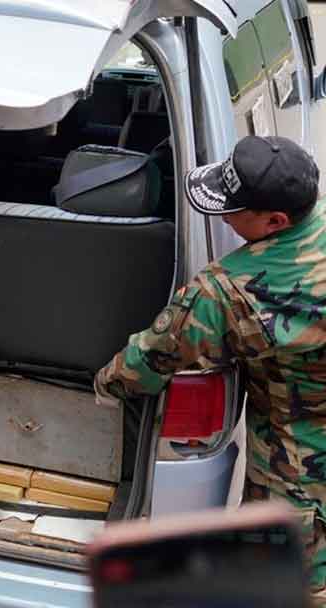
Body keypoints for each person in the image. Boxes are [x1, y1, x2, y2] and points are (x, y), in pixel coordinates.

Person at [94, 135, 326, 601]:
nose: (222, 215)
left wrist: (100, 383)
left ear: (275, 221)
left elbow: (143, 365)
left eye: (233, 209)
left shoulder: (226, 291)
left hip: (296, 488)